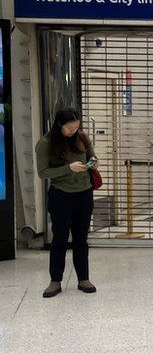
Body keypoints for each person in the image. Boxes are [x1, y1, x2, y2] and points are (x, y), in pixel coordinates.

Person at [34, 109, 98, 298]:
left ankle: (83, 278)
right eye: (69, 128)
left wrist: (93, 163)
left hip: (84, 194)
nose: (73, 131)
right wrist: (67, 168)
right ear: (59, 124)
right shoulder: (46, 143)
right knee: (59, 238)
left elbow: (92, 157)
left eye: (77, 127)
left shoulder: (82, 138)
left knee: (81, 238)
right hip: (61, 196)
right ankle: (55, 281)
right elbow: (43, 172)